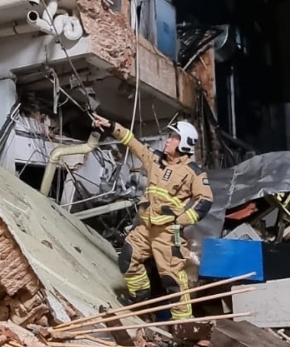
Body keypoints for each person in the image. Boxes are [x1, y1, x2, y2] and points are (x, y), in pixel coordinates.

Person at [91, 113, 213, 319]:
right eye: (170, 136)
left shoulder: (193, 172)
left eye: (174, 137)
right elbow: (133, 142)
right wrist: (111, 126)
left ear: (184, 143)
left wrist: (181, 220)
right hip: (145, 228)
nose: (169, 140)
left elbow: (205, 200)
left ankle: (184, 327)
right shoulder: (155, 160)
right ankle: (140, 299)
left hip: (167, 233)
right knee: (127, 260)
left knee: (172, 281)